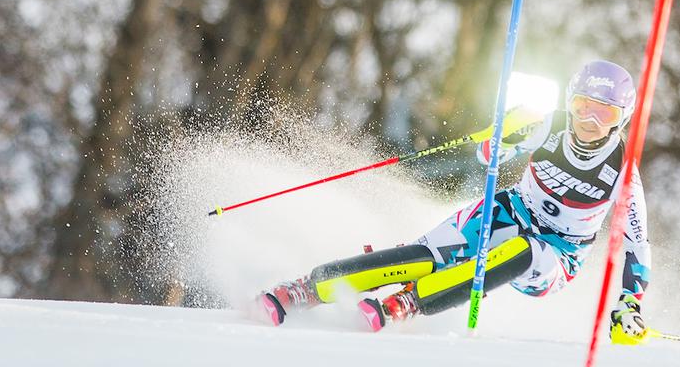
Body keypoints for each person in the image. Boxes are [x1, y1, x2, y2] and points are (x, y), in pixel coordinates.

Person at [256, 59, 651, 344]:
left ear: (622, 118)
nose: (589, 122)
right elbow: (489, 150)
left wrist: (629, 304)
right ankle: (307, 289)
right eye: (583, 108)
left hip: (558, 254)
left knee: (524, 251)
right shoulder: (549, 123)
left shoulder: (622, 171)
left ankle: (410, 302)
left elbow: (637, 244)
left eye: (604, 114)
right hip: (510, 211)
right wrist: (496, 143)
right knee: (424, 256)